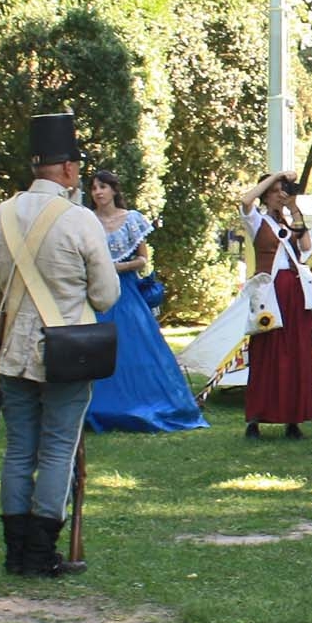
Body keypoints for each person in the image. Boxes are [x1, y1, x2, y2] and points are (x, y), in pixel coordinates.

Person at [0, 112, 119, 577]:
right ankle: (42, 553)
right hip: (67, 350)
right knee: (59, 449)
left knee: (19, 450)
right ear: (68, 168)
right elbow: (106, 295)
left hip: (14, 348)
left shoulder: (1, 214)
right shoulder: (79, 219)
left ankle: (15, 552)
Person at [84, 168, 206, 433]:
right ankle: (98, 405)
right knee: (97, 345)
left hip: (126, 291)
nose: (98, 192)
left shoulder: (131, 219)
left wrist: (119, 267)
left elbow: (143, 259)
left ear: (114, 190)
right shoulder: (87, 220)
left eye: (102, 187)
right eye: (93, 188)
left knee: (134, 345)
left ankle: (140, 401)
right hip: (97, 290)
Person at [239, 171, 312, 439]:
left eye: (281, 190)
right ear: (265, 195)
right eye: (274, 191)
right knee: (266, 353)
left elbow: (306, 245)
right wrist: (276, 175)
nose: (279, 195)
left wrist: (294, 208)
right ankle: (256, 417)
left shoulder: (288, 222)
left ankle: (293, 418)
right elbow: (246, 200)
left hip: (294, 292)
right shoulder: (257, 221)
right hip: (270, 293)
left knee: (296, 353)